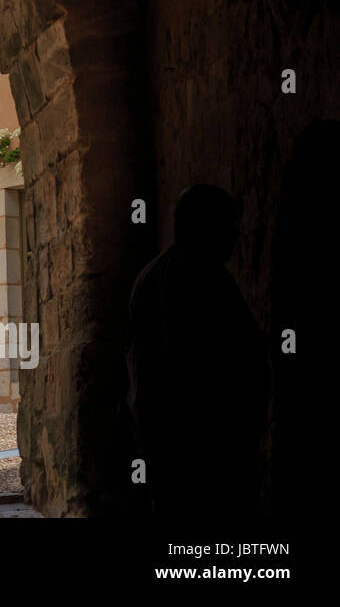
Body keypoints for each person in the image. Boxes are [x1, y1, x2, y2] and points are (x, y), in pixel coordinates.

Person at [126, 185, 267, 517]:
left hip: (170, 441)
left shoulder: (156, 274)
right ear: (206, 225)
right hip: (202, 448)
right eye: (228, 223)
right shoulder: (198, 277)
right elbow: (203, 364)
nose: (236, 234)